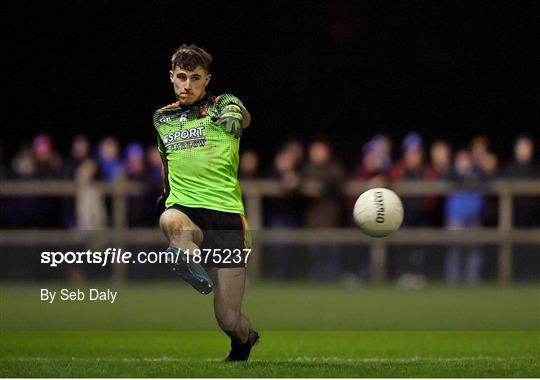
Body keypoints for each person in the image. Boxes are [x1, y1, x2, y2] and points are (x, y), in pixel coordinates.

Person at [153, 44, 259, 361]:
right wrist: (165, 197)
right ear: (172, 77)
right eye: (181, 77)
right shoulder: (162, 118)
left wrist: (235, 114)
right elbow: (166, 165)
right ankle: (186, 255)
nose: (187, 85)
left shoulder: (221, 105)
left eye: (195, 78)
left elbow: (242, 115)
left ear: (206, 80)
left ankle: (245, 340)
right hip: (187, 210)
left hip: (227, 219)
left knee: (229, 320)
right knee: (172, 221)